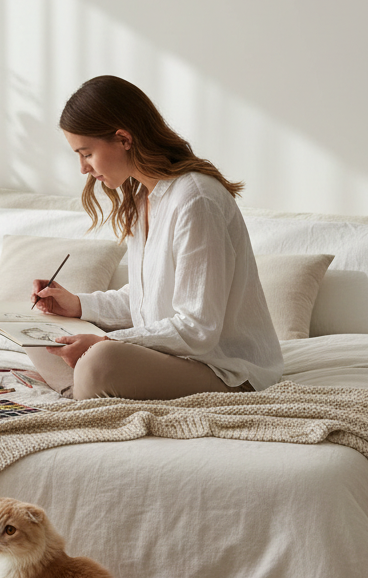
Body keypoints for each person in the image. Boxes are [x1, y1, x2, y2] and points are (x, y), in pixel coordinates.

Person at [30, 75, 283, 400]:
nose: (83, 169)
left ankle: (86, 386)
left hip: (224, 371)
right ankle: (85, 391)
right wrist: (78, 306)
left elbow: (197, 329)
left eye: (87, 153)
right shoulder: (141, 197)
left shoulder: (196, 200)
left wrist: (108, 344)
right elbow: (148, 301)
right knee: (42, 328)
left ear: (123, 138)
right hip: (173, 358)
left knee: (100, 361)